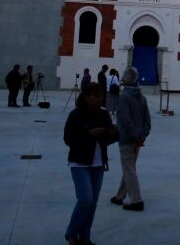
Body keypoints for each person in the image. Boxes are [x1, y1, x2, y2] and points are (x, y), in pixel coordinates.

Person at [64, 83, 118, 245]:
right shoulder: (75, 115)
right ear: (86, 97)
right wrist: (89, 134)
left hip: (98, 164)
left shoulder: (104, 114)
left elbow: (107, 140)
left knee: (92, 203)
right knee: (85, 199)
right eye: (95, 96)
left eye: (101, 96)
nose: (99, 99)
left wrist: (114, 134)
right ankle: (71, 233)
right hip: (79, 162)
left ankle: (85, 236)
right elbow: (69, 139)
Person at [110, 67, 152, 211]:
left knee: (129, 169)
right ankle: (120, 196)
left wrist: (135, 136)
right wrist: (142, 136)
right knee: (130, 168)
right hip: (138, 140)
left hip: (127, 139)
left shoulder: (123, 97)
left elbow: (126, 121)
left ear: (124, 79)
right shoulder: (142, 97)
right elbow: (147, 120)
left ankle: (136, 200)